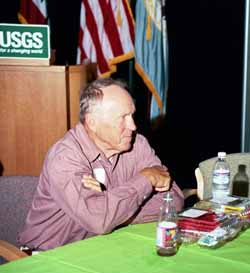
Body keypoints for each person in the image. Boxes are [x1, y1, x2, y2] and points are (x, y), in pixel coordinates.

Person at [19, 78, 184, 251]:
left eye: (132, 115)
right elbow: (99, 220)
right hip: (47, 256)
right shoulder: (65, 157)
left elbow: (173, 201)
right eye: (123, 118)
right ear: (92, 123)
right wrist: (146, 178)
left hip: (97, 249)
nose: (133, 126)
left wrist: (112, 209)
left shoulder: (137, 144)